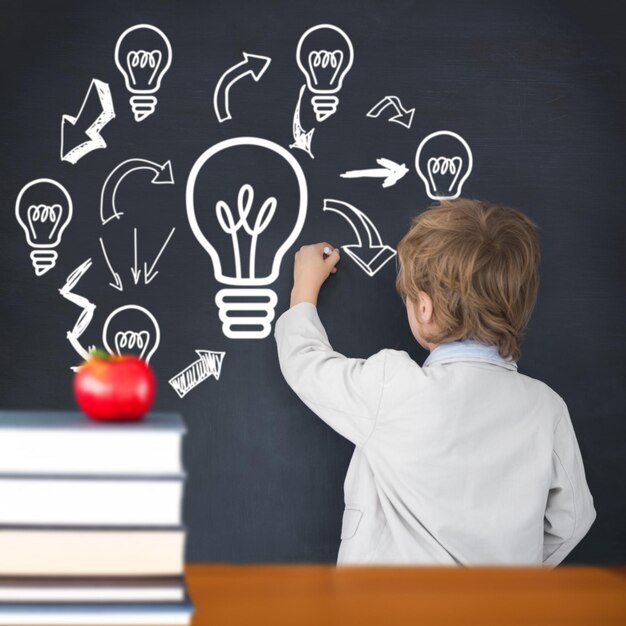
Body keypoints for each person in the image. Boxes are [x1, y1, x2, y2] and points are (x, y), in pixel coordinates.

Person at [274, 198, 596, 566]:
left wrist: (304, 289)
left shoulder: (391, 387)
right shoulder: (546, 408)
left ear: (424, 308)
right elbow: (572, 521)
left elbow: (305, 363)